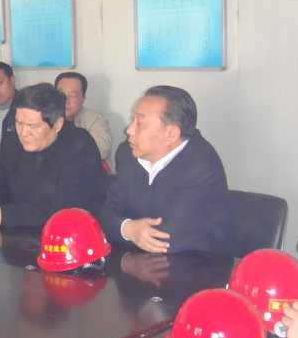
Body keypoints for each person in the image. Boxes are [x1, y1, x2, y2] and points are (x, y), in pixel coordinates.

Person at [98, 85, 233, 256]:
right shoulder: (128, 154)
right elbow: (105, 216)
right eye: (133, 120)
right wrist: (128, 229)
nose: (129, 130)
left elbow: (166, 240)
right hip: (138, 258)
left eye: (139, 124)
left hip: (198, 263)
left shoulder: (201, 168)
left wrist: (123, 228)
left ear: (171, 134)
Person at [0, 83, 110, 228]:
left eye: (32, 126)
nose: (23, 133)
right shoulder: (13, 142)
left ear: (57, 124)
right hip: (21, 233)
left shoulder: (80, 147)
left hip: (74, 233)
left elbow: (64, 209)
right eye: (19, 123)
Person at [55, 71, 113, 164]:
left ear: (83, 99)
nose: (66, 100)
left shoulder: (95, 120)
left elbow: (102, 149)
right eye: (61, 94)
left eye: (73, 96)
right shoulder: (43, 118)